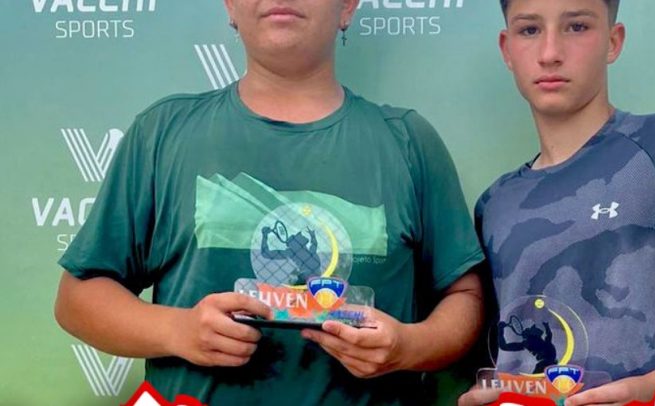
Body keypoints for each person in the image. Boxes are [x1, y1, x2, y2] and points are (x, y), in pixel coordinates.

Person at [53, 1, 485, 405]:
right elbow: (77, 299)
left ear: (348, 6)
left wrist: (409, 347)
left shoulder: (407, 141)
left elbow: (465, 296)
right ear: (230, 6)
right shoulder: (163, 134)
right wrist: (177, 330)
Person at [459, 1, 655, 405]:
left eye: (577, 26)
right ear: (507, 50)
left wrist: (649, 390)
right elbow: (503, 353)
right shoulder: (495, 204)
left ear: (613, 41)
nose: (550, 52)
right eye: (530, 30)